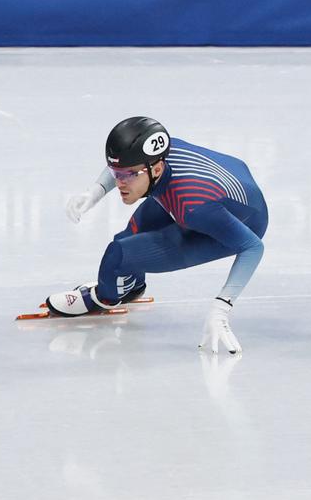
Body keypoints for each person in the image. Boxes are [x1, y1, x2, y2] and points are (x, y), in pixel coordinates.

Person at [57, 117, 267, 355]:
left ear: (156, 169)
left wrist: (222, 307)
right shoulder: (159, 157)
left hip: (240, 220)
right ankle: (131, 286)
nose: (120, 182)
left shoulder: (193, 206)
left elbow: (253, 247)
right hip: (217, 195)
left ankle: (105, 297)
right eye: (116, 173)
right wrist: (94, 193)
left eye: (128, 175)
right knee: (126, 236)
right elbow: (124, 165)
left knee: (116, 257)